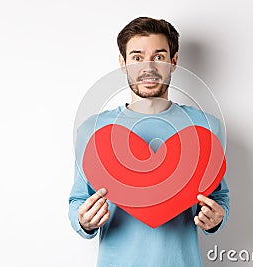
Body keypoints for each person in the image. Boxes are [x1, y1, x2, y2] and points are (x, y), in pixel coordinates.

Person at [69, 17, 230, 267]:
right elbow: (78, 200)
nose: (148, 67)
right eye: (137, 57)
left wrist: (216, 219)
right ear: (123, 63)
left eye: (158, 56)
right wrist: (84, 222)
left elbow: (219, 196)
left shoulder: (206, 128)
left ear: (173, 61)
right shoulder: (93, 130)